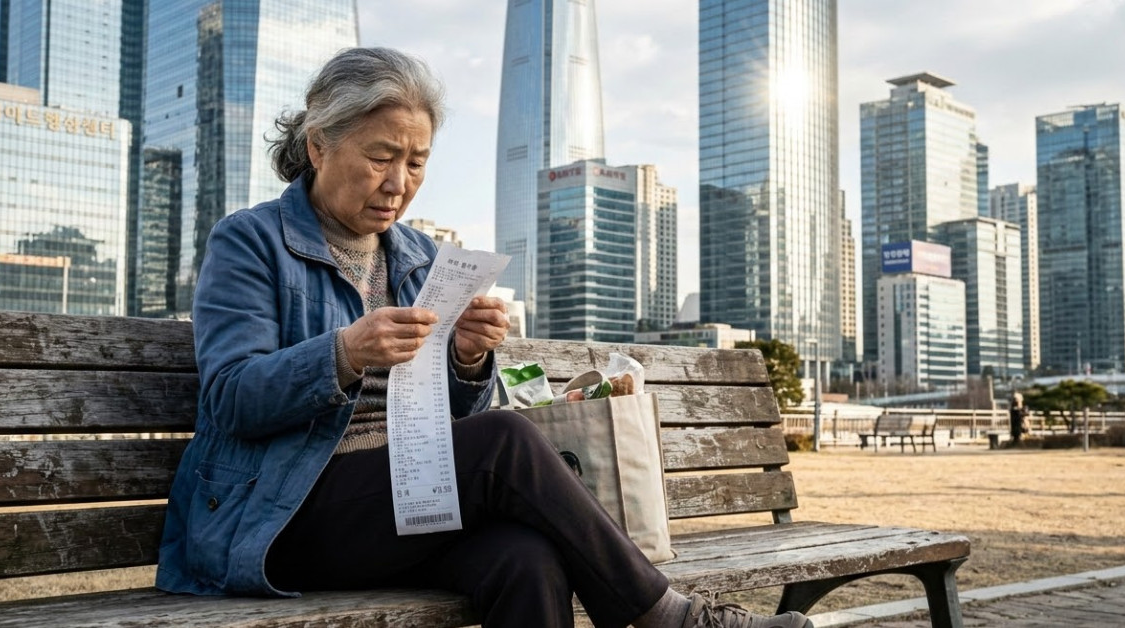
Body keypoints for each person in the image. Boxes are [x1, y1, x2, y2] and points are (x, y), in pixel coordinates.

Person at [154, 47, 812, 628]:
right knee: (507, 440)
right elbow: (231, 399)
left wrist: (469, 360)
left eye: (416, 162)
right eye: (381, 156)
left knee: (525, 561)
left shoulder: (417, 255)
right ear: (320, 144)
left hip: (411, 496)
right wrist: (345, 353)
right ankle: (668, 618)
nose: (399, 183)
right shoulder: (251, 241)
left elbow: (455, 419)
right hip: (282, 513)